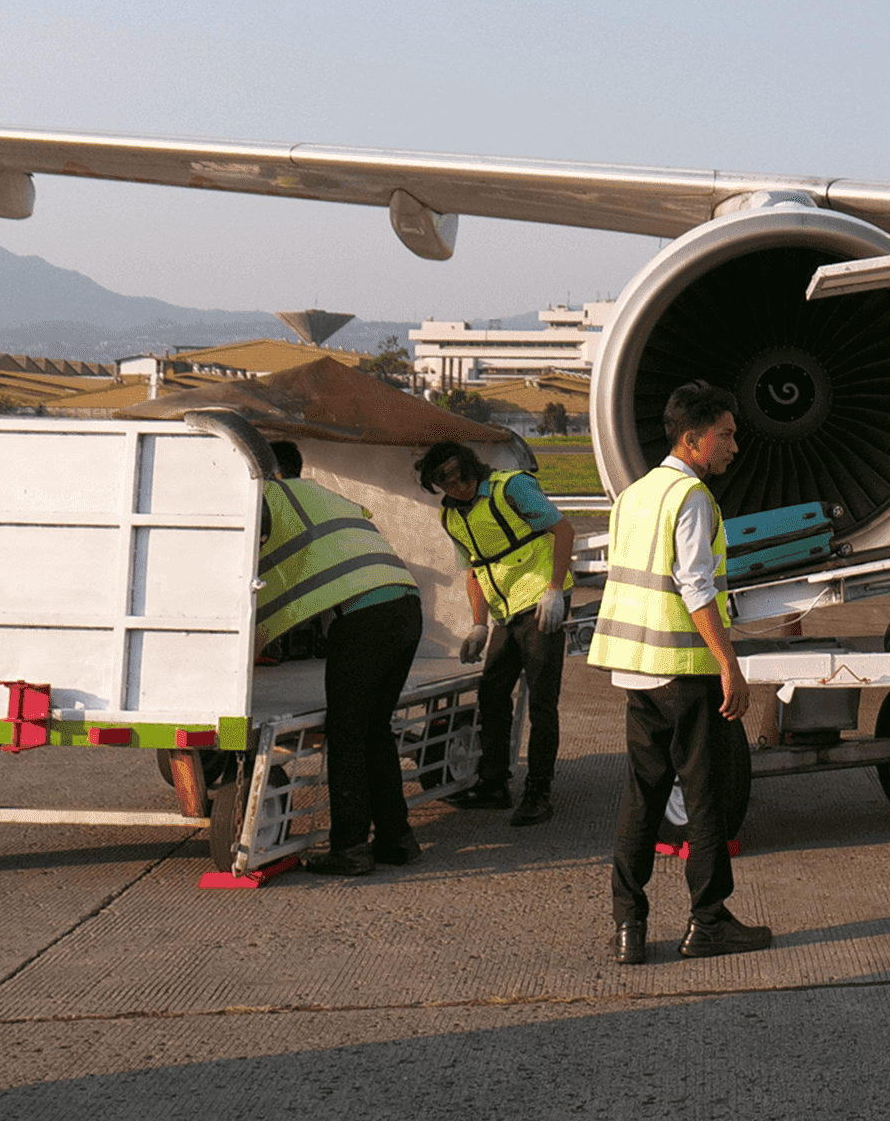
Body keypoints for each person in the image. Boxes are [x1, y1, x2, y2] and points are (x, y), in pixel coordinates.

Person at [588, 381, 772, 965]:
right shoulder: (691, 498)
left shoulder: (634, 495)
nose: (734, 447)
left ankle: (628, 926)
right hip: (684, 672)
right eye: (726, 435)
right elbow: (695, 588)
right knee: (705, 795)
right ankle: (708, 921)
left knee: (642, 798)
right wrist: (728, 664)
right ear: (693, 440)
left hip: (637, 670)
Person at [256, 443, 425, 877]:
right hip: (405, 605)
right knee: (374, 730)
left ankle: (350, 848)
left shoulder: (272, 495)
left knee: (347, 734)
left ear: (267, 471)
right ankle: (396, 839)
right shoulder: (323, 495)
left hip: (366, 617)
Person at [415, 439, 574, 827]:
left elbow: (563, 530)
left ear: (472, 466)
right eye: (445, 482)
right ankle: (494, 783)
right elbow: (475, 569)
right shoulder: (451, 517)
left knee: (542, 700)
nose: (456, 486)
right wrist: (478, 624)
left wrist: (555, 590)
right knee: (492, 693)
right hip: (505, 613)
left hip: (540, 600)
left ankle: (538, 792)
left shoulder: (511, 487)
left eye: (460, 476)